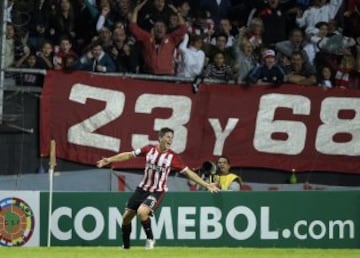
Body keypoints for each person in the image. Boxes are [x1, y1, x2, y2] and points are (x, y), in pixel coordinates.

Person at [96, 127, 219, 250]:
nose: (170, 140)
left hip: (157, 190)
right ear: (160, 138)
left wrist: (206, 184)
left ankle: (150, 239)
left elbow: (188, 172)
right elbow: (129, 155)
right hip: (142, 189)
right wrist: (109, 160)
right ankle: (126, 247)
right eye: (168, 137)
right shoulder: (148, 149)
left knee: (142, 212)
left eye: (172, 138)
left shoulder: (173, 157)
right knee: (126, 218)